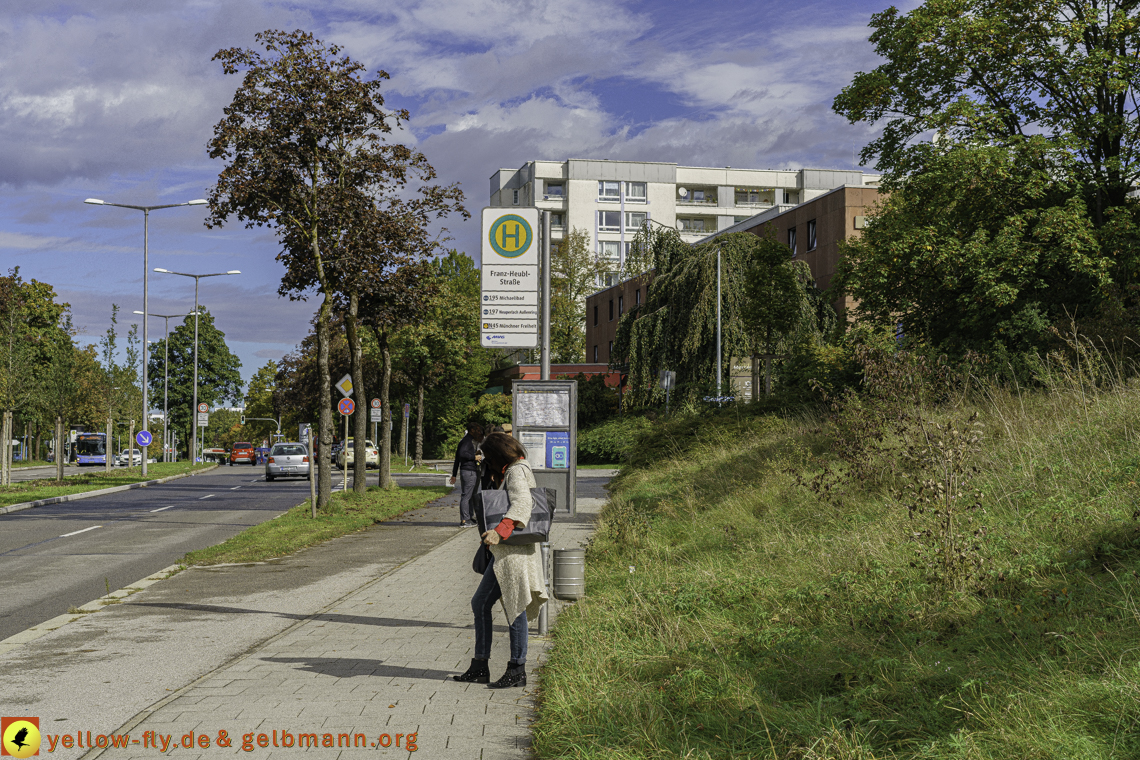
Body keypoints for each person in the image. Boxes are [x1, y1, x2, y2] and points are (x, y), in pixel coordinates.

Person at [453, 433, 549, 689]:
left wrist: (500, 531)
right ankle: (480, 666)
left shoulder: (517, 471)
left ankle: (517, 669)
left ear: (497, 455)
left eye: (487, 457)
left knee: (515, 607)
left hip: (514, 553)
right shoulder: (513, 469)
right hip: (506, 556)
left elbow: (523, 503)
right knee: (481, 603)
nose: (485, 461)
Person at [449, 423, 484, 527]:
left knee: (470, 495)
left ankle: (469, 517)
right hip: (469, 471)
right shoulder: (467, 441)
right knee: (466, 496)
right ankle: (464, 520)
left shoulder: (465, 441)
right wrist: (474, 457)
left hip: (469, 470)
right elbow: (462, 454)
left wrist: (454, 474)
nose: (479, 432)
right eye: (477, 430)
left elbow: (457, 459)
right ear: (472, 430)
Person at [480, 425, 506, 491]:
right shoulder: (491, 444)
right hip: (494, 471)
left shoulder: (505, 444)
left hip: (501, 471)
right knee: (488, 491)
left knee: (499, 491)